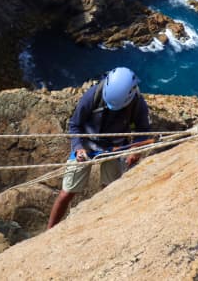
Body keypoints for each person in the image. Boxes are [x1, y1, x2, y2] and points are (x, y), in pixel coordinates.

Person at [47, 67, 150, 229]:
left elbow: (144, 131)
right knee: (66, 192)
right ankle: (49, 231)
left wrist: (136, 150)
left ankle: (102, 228)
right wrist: (78, 148)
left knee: (109, 192)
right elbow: (75, 125)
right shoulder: (93, 95)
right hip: (87, 146)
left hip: (116, 148)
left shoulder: (137, 103)